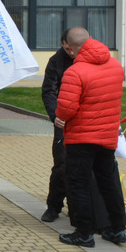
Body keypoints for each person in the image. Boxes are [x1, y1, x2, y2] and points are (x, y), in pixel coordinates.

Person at [55, 35, 126, 248]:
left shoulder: (75, 71)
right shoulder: (115, 65)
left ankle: (84, 232)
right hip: (107, 135)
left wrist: (61, 117)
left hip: (82, 137)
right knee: (108, 182)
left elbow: (66, 108)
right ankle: (117, 228)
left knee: (79, 184)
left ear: (69, 47)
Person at [40, 28, 79, 222]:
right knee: (61, 165)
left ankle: (77, 207)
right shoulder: (56, 61)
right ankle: (54, 206)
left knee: (83, 167)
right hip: (62, 121)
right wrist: (56, 115)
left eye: (74, 48)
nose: (71, 52)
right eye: (67, 48)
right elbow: (49, 91)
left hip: (84, 122)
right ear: (63, 44)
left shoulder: (89, 59)